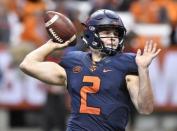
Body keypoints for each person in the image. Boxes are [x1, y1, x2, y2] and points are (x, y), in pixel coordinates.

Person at [19, 9, 161, 131]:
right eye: (107, 32)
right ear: (92, 34)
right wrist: (53, 44)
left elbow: (145, 109)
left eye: (116, 33)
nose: (113, 38)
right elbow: (27, 65)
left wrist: (143, 70)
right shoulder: (73, 61)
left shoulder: (126, 64)